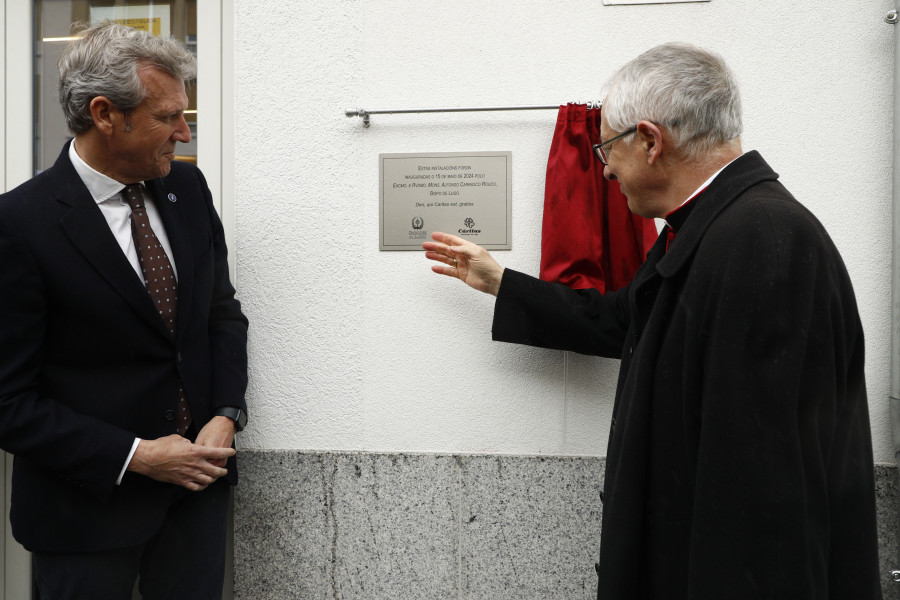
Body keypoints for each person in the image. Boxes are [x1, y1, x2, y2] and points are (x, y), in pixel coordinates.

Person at [424, 42, 881, 599]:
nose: (607, 168)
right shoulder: (712, 228)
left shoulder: (764, 242)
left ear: (649, 140)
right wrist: (501, 282)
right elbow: (626, 319)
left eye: (607, 149)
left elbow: (764, 500)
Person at [0, 22, 248, 599]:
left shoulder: (189, 192)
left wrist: (226, 413)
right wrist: (137, 456)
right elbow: (9, 402)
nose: (184, 134)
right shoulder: (19, 226)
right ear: (106, 114)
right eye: (168, 118)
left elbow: (221, 315)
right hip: (85, 516)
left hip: (195, 503)